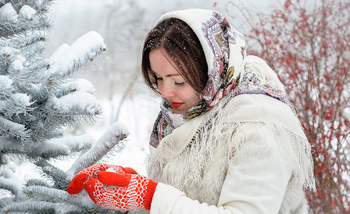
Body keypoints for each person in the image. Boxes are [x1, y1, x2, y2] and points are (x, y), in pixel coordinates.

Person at [67, 9, 315, 214]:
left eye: (178, 81)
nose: (165, 92)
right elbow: (185, 198)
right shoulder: (196, 111)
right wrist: (127, 190)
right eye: (158, 78)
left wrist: (149, 195)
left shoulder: (258, 130)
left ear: (212, 71)